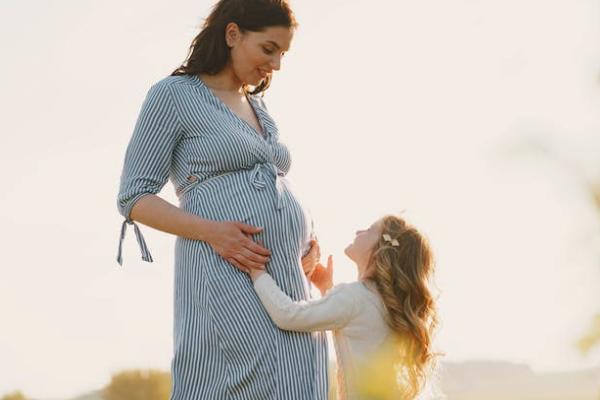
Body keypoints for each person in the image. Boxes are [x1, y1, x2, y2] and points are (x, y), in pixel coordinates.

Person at [115, 0, 328, 398]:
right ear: (232, 35)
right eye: (268, 49)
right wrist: (215, 233)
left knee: (297, 382)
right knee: (233, 381)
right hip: (225, 274)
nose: (277, 65)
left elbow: (275, 186)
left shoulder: (260, 108)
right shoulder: (174, 96)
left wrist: (306, 240)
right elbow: (134, 196)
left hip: (289, 286)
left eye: (283, 54)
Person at [249, 215, 441, 400]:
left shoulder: (354, 298)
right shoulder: (386, 304)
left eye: (369, 230)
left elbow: (288, 315)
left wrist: (256, 270)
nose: (359, 230)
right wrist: (326, 288)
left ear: (382, 249)